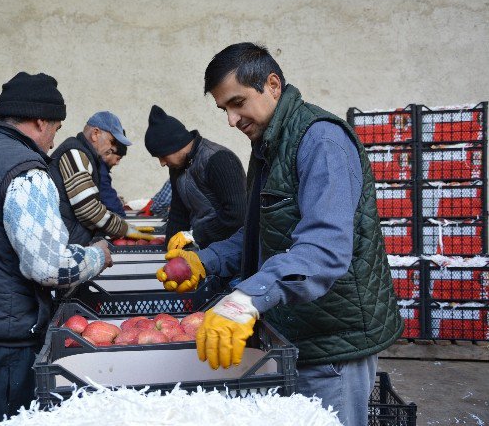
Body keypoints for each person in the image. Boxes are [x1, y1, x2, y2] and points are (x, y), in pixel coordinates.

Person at [156, 43, 403, 425]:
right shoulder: (268, 146)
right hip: (292, 332)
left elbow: (323, 251)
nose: (231, 120)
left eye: (238, 103)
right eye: (224, 109)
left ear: (272, 84)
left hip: (332, 343)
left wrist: (245, 300)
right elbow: (260, 231)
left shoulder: (321, 141)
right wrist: (205, 260)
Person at [0, 72, 112, 426]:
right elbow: (48, 267)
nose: (51, 143)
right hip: (3, 342)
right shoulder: (26, 171)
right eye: (56, 129)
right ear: (40, 120)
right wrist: (97, 256)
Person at [144, 105, 247, 252]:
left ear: (175, 145)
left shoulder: (219, 160)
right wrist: (169, 252)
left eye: (162, 155)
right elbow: (178, 214)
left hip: (230, 249)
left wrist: (195, 235)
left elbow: (237, 215)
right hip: (202, 248)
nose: (162, 163)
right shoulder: (177, 168)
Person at [50, 111, 153, 245]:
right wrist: (124, 228)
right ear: (95, 134)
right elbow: (88, 210)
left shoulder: (85, 155)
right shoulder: (75, 154)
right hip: (65, 243)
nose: (112, 148)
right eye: (112, 141)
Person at [98, 137, 128, 217]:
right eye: (118, 158)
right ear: (109, 153)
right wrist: (125, 221)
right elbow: (110, 201)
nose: (117, 163)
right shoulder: (101, 171)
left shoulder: (100, 168)